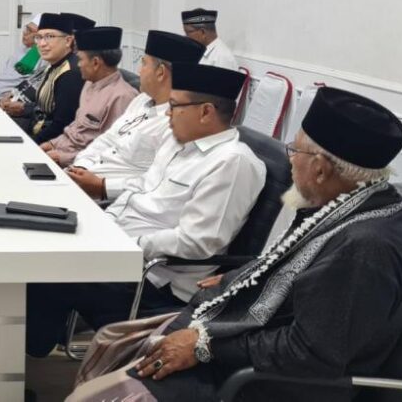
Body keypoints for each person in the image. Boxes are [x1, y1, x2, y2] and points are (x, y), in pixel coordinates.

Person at [70, 87, 402, 402]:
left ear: (321, 169)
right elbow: (294, 269)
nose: (290, 158)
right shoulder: (348, 205)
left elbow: (310, 353)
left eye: (295, 150)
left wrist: (206, 345)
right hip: (246, 339)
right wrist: (240, 275)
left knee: (115, 389)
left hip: (264, 382)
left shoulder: (366, 248)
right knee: (114, 341)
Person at [27, 63, 265, 357]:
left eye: (174, 106)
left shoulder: (232, 163)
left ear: (205, 112)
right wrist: (105, 222)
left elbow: (199, 241)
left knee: (48, 268)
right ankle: (30, 344)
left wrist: (128, 244)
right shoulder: (177, 143)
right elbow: (140, 188)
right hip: (121, 249)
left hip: (155, 279)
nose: (167, 114)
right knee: (40, 240)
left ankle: (26, 353)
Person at [67, 31, 205, 200]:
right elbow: (107, 139)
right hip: (85, 178)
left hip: (112, 198)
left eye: (143, 63)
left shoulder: (177, 122)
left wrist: (102, 186)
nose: (139, 71)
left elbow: (155, 182)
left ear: (161, 72)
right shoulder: (141, 99)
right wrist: (82, 166)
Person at [41, 26, 137, 167]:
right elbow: (77, 128)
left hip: (80, 165)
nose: (78, 64)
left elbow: (111, 148)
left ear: (96, 63)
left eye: (80, 59)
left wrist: (63, 157)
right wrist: (51, 144)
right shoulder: (89, 83)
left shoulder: (122, 97)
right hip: (60, 151)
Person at [3, 13, 86, 143]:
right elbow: (44, 107)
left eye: (49, 37)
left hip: (49, 142)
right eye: (39, 37)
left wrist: (31, 144)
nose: (41, 44)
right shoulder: (53, 65)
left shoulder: (71, 73)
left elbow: (61, 126)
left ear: (68, 41)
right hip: (34, 127)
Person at [0, 15, 46, 100]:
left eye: (30, 31)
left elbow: (27, 85)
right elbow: (7, 75)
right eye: (26, 28)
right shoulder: (22, 48)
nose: (25, 33)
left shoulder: (41, 56)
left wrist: (13, 97)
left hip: (3, 99)